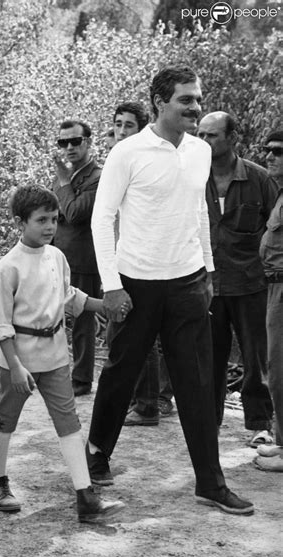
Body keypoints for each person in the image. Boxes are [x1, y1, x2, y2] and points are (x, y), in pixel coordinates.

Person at [87, 64, 253, 515]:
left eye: (198, 99)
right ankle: (96, 455)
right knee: (122, 373)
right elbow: (102, 220)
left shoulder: (200, 151)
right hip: (136, 284)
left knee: (197, 384)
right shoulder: (128, 152)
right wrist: (112, 286)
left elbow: (199, 213)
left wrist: (209, 270)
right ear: (160, 102)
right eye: (186, 100)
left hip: (188, 282)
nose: (195, 107)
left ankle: (211, 483)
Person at [0, 183, 125, 522]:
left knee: (69, 423)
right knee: (6, 419)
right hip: (17, 359)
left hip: (54, 355)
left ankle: (85, 497)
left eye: (54, 219)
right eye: (41, 220)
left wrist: (105, 305)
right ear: (21, 222)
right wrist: (16, 367)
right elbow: (1, 324)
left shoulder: (57, 257)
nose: (50, 227)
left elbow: (68, 297)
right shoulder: (8, 267)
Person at [198, 112, 277, 447]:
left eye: (211, 136)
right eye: (199, 135)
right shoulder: (191, 178)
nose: (203, 142)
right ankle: (207, 423)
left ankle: (261, 424)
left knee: (257, 357)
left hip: (251, 284)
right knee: (207, 359)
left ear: (232, 139)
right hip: (206, 285)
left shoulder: (259, 180)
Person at [109, 101, 175, 425]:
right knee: (127, 332)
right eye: (118, 124)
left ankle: (148, 404)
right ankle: (146, 399)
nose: (122, 131)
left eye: (129, 125)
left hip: (148, 263)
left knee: (139, 332)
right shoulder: (122, 159)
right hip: (126, 257)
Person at [52, 120, 102, 397]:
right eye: (63, 142)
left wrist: (62, 185)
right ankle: (55, 372)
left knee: (83, 320)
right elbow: (50, 210)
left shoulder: (98, 176)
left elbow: (74, 213)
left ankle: (82, 379)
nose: (69, 147)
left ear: (89, 142)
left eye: (75, 141)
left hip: (85, 257)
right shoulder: (65, 175)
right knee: (53, 317)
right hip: (58, 255)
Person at [253, 129, 283, 472]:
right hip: (274, 288)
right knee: (276, 370)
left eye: (278, 152)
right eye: (268, 150)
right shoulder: (278, 194)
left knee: (280, 372)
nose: (270, 156)